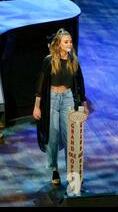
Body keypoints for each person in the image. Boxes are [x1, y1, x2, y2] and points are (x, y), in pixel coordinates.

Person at [33, 28, 89, 185]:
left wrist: (84, 104)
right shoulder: (49, 60)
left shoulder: (74, 61)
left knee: (69, 136)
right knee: (53, 136)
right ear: (58, 45)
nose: (69, 44)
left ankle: (72, 173)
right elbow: (40, 85)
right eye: (66, 42)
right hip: (51, 99)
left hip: (68, 99)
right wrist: (37, 106)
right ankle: (54, 170)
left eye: (70, 41)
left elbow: (80, 84)